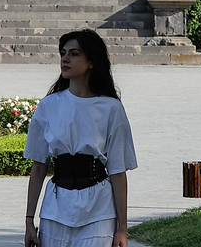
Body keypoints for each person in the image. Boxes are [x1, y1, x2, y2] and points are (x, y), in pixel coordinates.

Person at [24, 29, 137, 247]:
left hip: (99, 211)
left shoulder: (111, 108)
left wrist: (122, 229)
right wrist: (29, 221)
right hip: (55, 210)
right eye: (63, 53)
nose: (65, 59)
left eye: (74, 53)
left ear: (92, 61)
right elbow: (38, 167)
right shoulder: (48, 106)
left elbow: (118, 172)